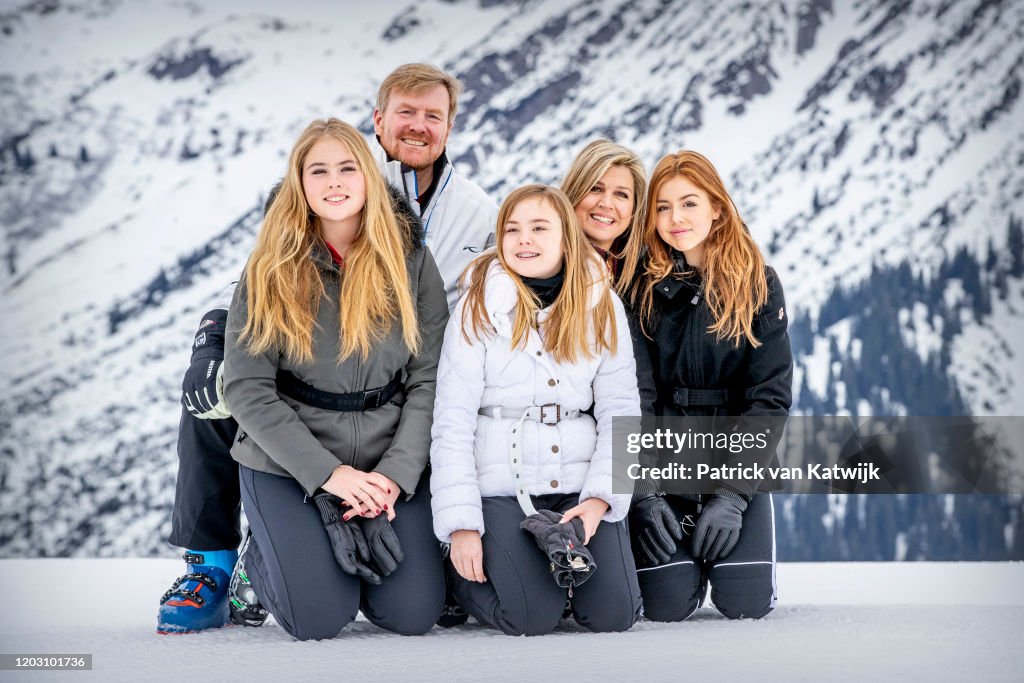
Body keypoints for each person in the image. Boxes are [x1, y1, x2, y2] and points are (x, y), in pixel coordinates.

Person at [158, 64, 497, 634]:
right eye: (404, 113)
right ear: (379, 121)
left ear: (450, 125)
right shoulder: (309, 207)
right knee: (216, 402)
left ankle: (401, 547)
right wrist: (214, 336)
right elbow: (251, 323)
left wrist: (396, 472)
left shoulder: (472, 214)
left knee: (412, 614)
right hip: (305, 405)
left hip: (398, 410)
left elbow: (450, 348)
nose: (417, 126)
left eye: (431, 116)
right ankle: (219, 560)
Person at [217, 117, 448, 641]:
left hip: (387, 458)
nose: (334, 182)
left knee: (412, 615)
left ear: (368, 176)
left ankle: (344, 534)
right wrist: (328, 475)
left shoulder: (410, 260)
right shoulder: (269, 268)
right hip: (288, 460)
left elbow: (429, 378)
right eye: (317, 170)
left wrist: (394, 475)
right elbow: (247, 389)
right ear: (299, 183)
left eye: (346, 168)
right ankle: (266, 554)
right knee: (319, 619)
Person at [429, 184, 643, 636]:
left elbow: (621, 412)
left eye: (539, 228)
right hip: (503, 485)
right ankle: (457, 578)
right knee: (529, 617)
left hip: (577, 485)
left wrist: (599, 501)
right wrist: (462, 526)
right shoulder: (477, 308)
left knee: (614, 615)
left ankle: (548, 570)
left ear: (566, 237)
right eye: (512, 229)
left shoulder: (601, 304)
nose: (524, 239)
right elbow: (452, 421)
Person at [628, 150, 793, 621]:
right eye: (662, 206)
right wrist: (645, 489)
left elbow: (770, 396)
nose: (675, 218)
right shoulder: (639, 288)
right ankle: (684, 567)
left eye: (689, 203)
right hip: (666, 468)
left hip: (736, 464)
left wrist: (733, 496)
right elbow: (636, 395)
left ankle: (731, 558)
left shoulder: (759, 283)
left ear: (717, 208)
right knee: (666, 605)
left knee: (745, 604)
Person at [559, 138, 655, 415]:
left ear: (635, 208)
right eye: (595, 188)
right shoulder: (542, 269)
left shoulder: (643, 281)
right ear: (574, 193)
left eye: (622, 195)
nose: (606, 203)